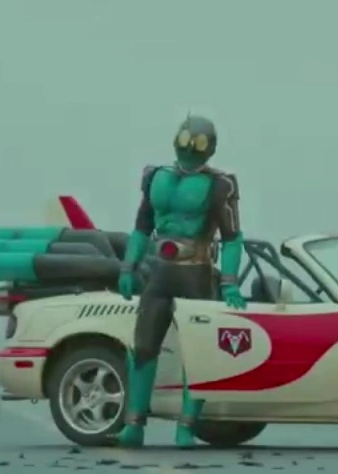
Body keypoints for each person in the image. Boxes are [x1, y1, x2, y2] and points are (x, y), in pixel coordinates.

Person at [112, 115, 247, 449]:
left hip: (196, 273)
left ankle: (186, 427)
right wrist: (128, 266)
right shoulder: (156, 178)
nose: (190, 148)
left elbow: (232, 237)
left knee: (196, 353)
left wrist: (229, 282)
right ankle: (133, 424)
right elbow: (142, 226)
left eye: (198, 142)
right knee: (143, 348)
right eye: (186, 139)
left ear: (210, 147)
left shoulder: (219, 185)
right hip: (159, 271)